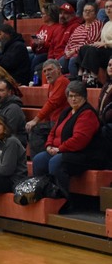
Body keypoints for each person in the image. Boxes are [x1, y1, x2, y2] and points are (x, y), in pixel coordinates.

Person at [32, 80, 104, 212]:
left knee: (56, 162)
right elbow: (53, 131)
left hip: (85, 155)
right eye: (70, 96)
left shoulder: (87, 113)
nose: (73, 99)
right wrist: (48, 145)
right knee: (39, 159)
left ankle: (63, 200)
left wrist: (59, 149)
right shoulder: (66, 112)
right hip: (63, 151)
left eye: (77, 96)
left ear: (84, 97)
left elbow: (79, 140)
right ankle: (42, 194)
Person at [25, 59, 70, 157]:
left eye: (50, 70)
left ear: (58, 70)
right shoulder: (52, 85)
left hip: (62, 122)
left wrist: (36, 120)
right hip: (54, 122)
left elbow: (52, 103)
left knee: (35, 129)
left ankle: (39, 159)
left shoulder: (62, 81)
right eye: (44, 71)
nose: (47, 73)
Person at [60, 2, 102, 78]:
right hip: (71, 53)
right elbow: (70, 41)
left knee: (73, 61)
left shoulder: (96, 24)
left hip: (84, 54)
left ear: (95, 14)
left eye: (90, 11)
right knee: (58, 63)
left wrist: (74, 51)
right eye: (85, 10)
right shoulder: (79, 27)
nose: (87, 12)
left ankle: (77, 84)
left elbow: (90, 41)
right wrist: (67, 51)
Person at [78, 0, 112, 86]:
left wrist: (105, 44)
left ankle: (93, 77)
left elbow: (105, 43)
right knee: (84, 47)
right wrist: (98, 43)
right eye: (106, 7)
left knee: (93, 50)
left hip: (110, 51)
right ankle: (80, 75)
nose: (108, 9)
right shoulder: (107, 24)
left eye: (111, 7)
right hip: (106, 50)